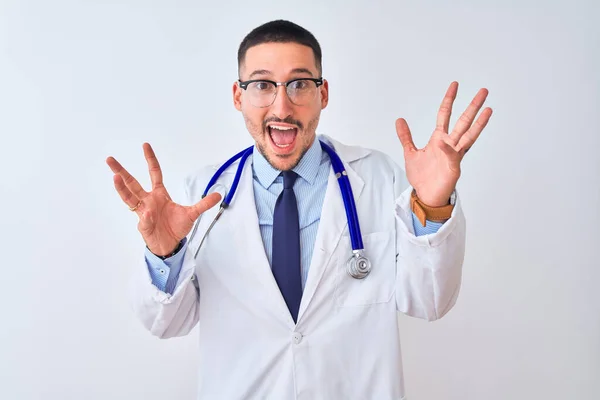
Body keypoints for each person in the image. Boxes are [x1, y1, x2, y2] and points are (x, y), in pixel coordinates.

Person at [106, 19, 492, 400]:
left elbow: (429, 301)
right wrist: (164, 254)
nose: (282, 105)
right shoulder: (200, 197)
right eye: (261, 85)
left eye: (300, 84)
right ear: (238, 97)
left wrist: (433, 204)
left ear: (323, 94)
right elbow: (166, 323)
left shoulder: (377, 179)